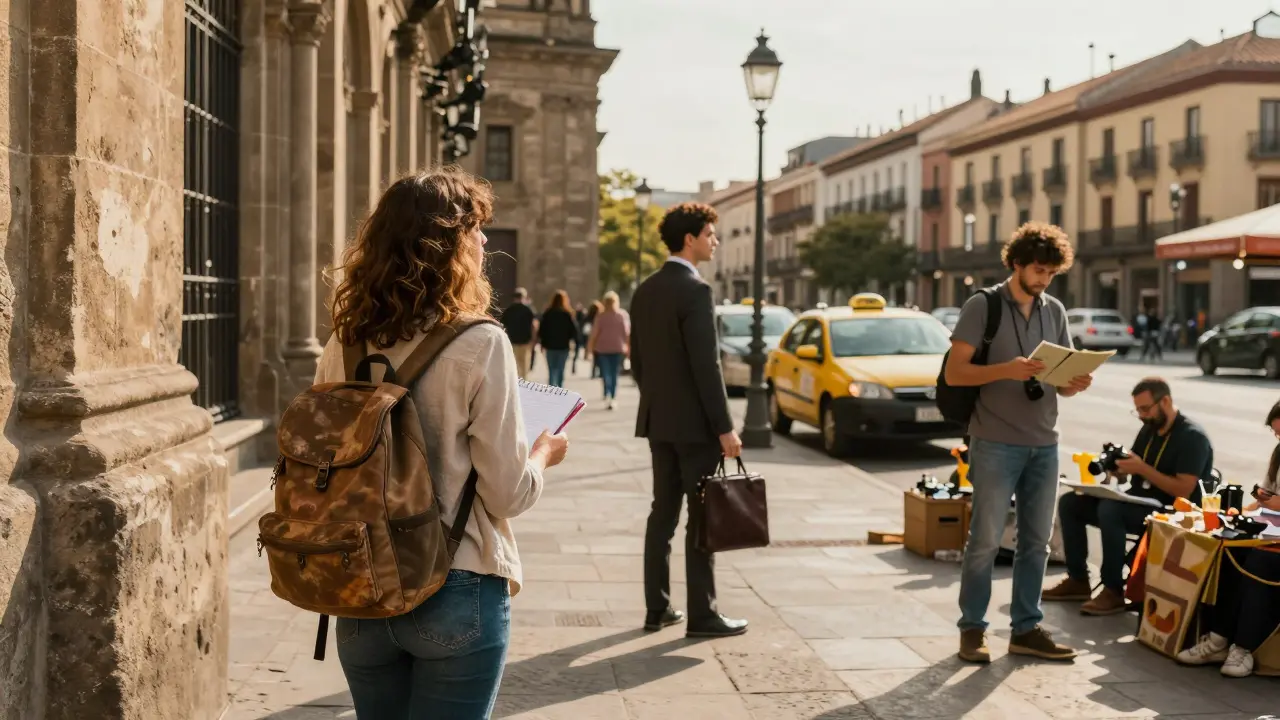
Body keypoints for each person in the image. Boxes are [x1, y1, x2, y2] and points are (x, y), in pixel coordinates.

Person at [317, 168, 569, 718]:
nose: (485, 240)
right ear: (449, 244)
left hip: (361, 585)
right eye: (475, 229)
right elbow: (506, 494)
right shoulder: (481, 341)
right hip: (456, 581)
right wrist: (542, 454)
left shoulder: (346, 340)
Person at [943, 221, 1093, 663]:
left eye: (1052, 273)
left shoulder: (1055, 310)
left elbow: (1060, 381)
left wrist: (1073, 383)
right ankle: (972, 629)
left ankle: (1026, 629)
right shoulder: (982, 305)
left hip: (1045, 444)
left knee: (1036, 544)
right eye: (1039, 270)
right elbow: (955, 373)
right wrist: (1005, 370)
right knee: (985, 541)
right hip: (994, 442)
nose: (1045, 279)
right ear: (1017, 264)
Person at [630, 201, 746, 639]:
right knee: (702, 520)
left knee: (662, 515)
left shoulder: (645, 290)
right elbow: (707, 366)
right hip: (696, 428)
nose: (715, 241)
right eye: (710, 234)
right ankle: (703, 615)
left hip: (659, 421)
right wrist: (725, 427)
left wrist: (659, 401)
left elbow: (638, 361)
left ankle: (657, 608)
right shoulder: (696, 291)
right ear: (690, 239)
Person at [1044, 378, 1212, 615]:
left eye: (1146, 409)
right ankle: (1078, 579)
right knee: (1071, 502)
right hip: (1137, 502)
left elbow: (1183, 490)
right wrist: (1119, 470)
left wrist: (1142, 468)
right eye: (1138, 410)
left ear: (1165, 401)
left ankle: (1113, 590)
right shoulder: (1150, 428)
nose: (1142, 416)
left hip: (1172, 512)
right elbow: (1135, 469)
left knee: (1111, 511)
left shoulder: (1192, 437)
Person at [1177, 400, 1280, 678]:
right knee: (1227, 550)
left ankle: (1243, 647)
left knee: (1259, 561)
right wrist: (1243, 512)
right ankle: (1218, 639)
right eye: (1276, 434)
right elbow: (1266, 497)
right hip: (1272, 533)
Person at [588, 290, 630, 410]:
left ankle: (609, 394)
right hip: (614, 349)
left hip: (606, 349)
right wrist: (628, 348)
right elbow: (627, 334)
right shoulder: (620, 315)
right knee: (612, 373)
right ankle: (611, 395)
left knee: (608, 373)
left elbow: (594, 334)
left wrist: (590, 348)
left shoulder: (603, 316)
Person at [537, 290, 578, 388]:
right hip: (563, 346)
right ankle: (559, 388)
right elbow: (574, 331)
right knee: (561, 369)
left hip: (550, 346)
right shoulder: (567, 314)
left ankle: (552, 388)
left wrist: (542, 344)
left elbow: (542, 330)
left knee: (551, 369)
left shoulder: (548, 313)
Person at [500, 288, 537, 380]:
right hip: (525, 342)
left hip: (512, 342)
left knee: (514, 365)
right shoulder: (528, 310)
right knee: (524, 366)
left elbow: (503, 326)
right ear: (523, 297)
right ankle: (524, 383)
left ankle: (516, 383)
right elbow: (533, 326)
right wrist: (533, 339)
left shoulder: (509, 310)